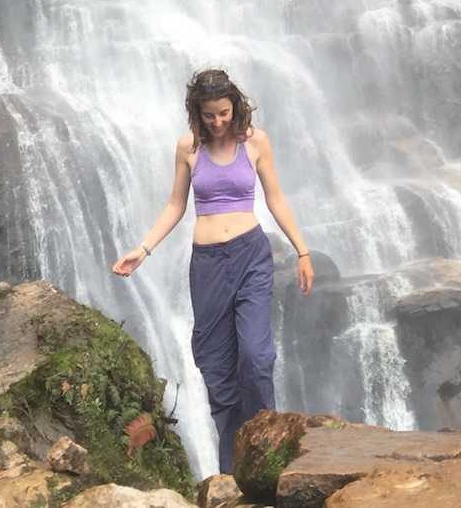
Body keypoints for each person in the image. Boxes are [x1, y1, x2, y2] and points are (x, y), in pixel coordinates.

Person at [112, 68, 315, 475]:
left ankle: (266, 451)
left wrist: (302, 251)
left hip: (251, 256)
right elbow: (175, 205)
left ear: (235, 107)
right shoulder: (188, 147)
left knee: (257, 357)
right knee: (218, 371)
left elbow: (275, 197)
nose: (218, 122)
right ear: (197, 113)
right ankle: (233, 470)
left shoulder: (255, 141)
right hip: (206, 268)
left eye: (224, 113)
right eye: (210, 115)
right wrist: (144, 249)